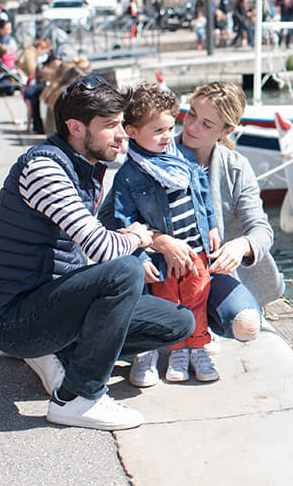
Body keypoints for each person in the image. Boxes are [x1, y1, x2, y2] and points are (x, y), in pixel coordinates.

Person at [0, 76, 195, 430]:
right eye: (110, 126)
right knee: (125, 272)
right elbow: (101, 248)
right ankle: (77, 398)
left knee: (179, 322)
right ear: (75, 127)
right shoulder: (44, 168)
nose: (121, 134)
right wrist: (143, 236)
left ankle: (55, 352)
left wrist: (133, 237)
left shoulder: (85, 166)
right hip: (10, 318)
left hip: (47, 305)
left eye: (121, 124)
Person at [104, 84, 221, 386]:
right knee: (164, 304)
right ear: (131, 131)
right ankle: (156, 352)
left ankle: (195, 349)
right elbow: (124, 222)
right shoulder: (128, 176)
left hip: (195, 248)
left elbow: (202, 194)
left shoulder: (184, 158)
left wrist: (212, 226)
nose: (168, 136)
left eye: (171, 127)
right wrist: (140, 254)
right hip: (160, 256)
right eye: (158, 130)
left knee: (196, 298)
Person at [158, 82, 281, 346]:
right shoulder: (154, 153)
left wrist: (241, 246)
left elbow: (261, 229)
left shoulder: (236, 167)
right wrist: (159, 241)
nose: (191, 126)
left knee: (246, 326)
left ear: (227, 130)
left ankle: (204, 326)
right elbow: (113, 217)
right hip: (160, 268)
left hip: (210, 272)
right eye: (191, 113)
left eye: (206, 124)